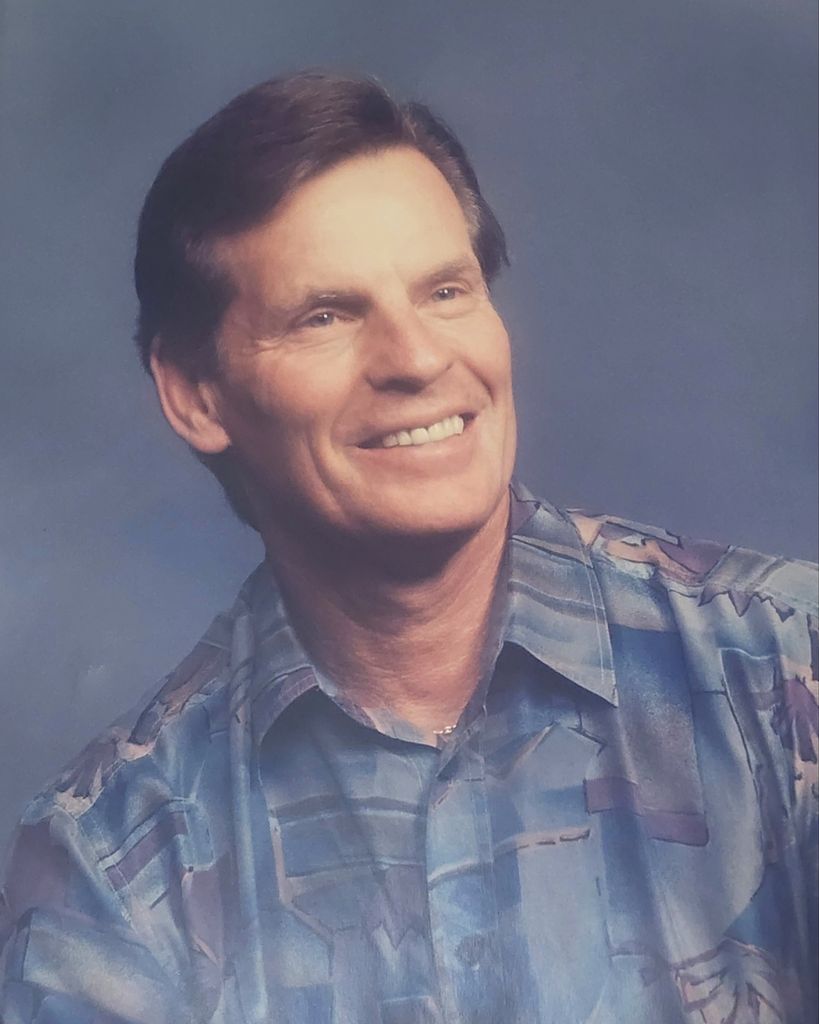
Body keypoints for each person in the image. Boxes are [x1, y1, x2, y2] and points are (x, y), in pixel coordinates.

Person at [0, 71, 816, 1024]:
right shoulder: (108, 867)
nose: (419, 358)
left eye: (445, 290)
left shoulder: (787, 670)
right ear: (195, 395)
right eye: (325, 315)